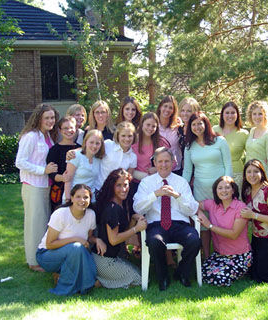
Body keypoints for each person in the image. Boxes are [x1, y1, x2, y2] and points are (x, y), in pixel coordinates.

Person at [133, 147, 201, 291]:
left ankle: (181, 273)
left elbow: (192, 209)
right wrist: (155, 194)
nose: (164, 165)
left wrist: (177, 196)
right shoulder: (147, 183)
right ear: (155, 163)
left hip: (179, 224)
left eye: (167, 161)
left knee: (194, 240)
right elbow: (137, 208)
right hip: (156, 224)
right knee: (155, 241)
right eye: (160, 161)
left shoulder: (181, 182)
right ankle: (163, 276)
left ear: (173, 163)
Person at [36, 184, 104, 295]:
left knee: (80, 249)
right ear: (71, 198)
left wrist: (97, 240)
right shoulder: (61, 214)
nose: (82, 200)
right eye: (78, 196)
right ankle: (79, 284)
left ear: (90, 199)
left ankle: (62, 275)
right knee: (76, 247)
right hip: (46, 255)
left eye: (86, 197)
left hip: (71, 254)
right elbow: (49, 244)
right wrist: (75, 239)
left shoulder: (91, 214)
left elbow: (89, 237)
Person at [182, 111, 233, 259]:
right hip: (200, 191)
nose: (197, 127)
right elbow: (187, 171)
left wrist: (227, 186)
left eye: (200, 123)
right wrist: (181, 188)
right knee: (204, 225)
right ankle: (206, 256)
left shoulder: (220, 141)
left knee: (221, 222)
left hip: (220, 191)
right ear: (189, 127)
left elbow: (228, 165)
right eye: (193, 124)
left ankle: (224, 254)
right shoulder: (189, 146)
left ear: (206, 124)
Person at [15, 103, 59, 272]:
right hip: (33, 185)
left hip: (46, 186)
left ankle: (42, 257)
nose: (50, 120)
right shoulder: (31, 136)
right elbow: (20, 162)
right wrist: (43, 170)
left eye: (52, 117)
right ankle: (33, 261)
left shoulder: (48, 135)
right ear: (38, 118)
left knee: (43, 223)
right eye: (46, 118)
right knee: (34, 224)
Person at [93, 169, 147, 288]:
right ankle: (96, 281)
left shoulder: (121, 203)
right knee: (139, 280)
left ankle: (101, 277)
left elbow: (124, 236)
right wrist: (136, 228)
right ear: (111, 186)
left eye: (125, 185)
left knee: (139, 273)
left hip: (114, 257)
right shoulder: (112, 208)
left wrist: (133, 219)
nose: (123, 189)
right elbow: (114, 240)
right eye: (119, 185)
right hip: (105, 260)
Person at [197, 176, 252, 286]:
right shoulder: (212, 204)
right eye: (220, 188)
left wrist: (210, 226)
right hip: (220, 254)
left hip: (239, 255)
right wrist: (199, 212)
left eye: (227, 187)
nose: (223, 191)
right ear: (215, 191)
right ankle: (233, 271)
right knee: (201, 273)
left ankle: (243, 270)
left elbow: (233, 234)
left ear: (233, 190)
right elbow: (193, 205)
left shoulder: (240, 207)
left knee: (220, 279)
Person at [46, 116, 80, 212]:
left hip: (77, 190)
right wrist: (63, 178)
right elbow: (51, 174)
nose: (69, 130)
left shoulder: (81, 149)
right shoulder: (54, 150)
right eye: (65, 128)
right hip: (59, 192)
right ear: (60, 130)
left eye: (71, 128)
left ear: (76, 129)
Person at [213, 101, 248, 188]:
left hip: (236, 175)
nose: (230, 116)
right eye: (227, 113)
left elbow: (250, 154)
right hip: (216, 172)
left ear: (237, 115)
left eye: (233, 113)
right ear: (222, 115)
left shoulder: (243, 134)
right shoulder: (214, 130)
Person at [63, 129, 104, 203]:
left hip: (90, 200)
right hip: (74, 199)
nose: (94, 146)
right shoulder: (75, 156)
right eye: (91, 142)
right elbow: (68, 180)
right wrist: (68, 200)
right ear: (85, 142)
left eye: (97, 143)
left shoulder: (98, 159)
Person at [245, 101, 268, 185]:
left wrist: (267, 184)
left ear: (265, 115)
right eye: (254, 114)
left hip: (262, 178)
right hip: (250, 177)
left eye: (260, 114)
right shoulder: (252, 131)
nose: (257, 117)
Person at [156, 95, 183, 175]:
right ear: (160, 107)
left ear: (173, 111)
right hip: (159, 168)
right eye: (165, 106)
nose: (167, 109)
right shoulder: (153, 126)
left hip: (176, 168)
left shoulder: (177, 126)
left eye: (170, 108)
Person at [178, 97, 200, 167]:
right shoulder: (179, 129)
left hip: (197, 168)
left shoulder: (198, 130)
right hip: (182, 168)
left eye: (189, 111)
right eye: (183, 110)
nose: (185, 113)